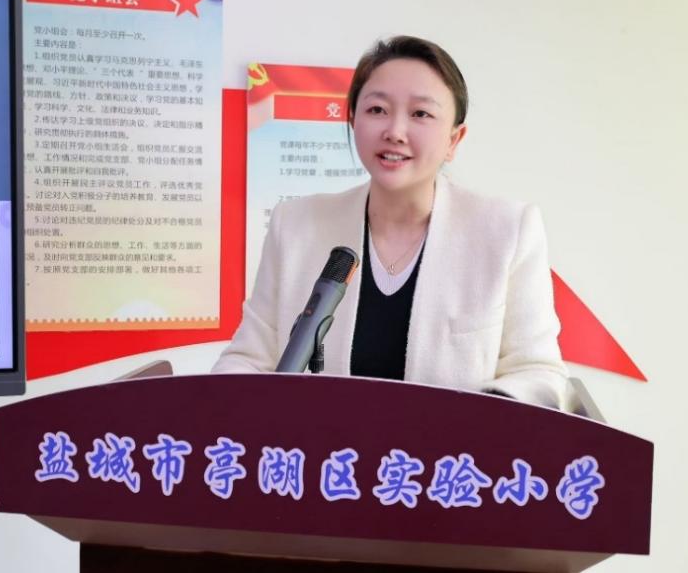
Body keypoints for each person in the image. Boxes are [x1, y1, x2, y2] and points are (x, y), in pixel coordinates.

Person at [212, 35, 568, 409]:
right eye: (377, 109)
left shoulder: (508, 230)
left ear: (454, 139)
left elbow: (538, 371)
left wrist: (481, 416)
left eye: (420, 114)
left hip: (453, 445)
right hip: (319, 445)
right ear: (353, 121)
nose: (394, 132)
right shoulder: (295, 225)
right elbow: (248, 358)